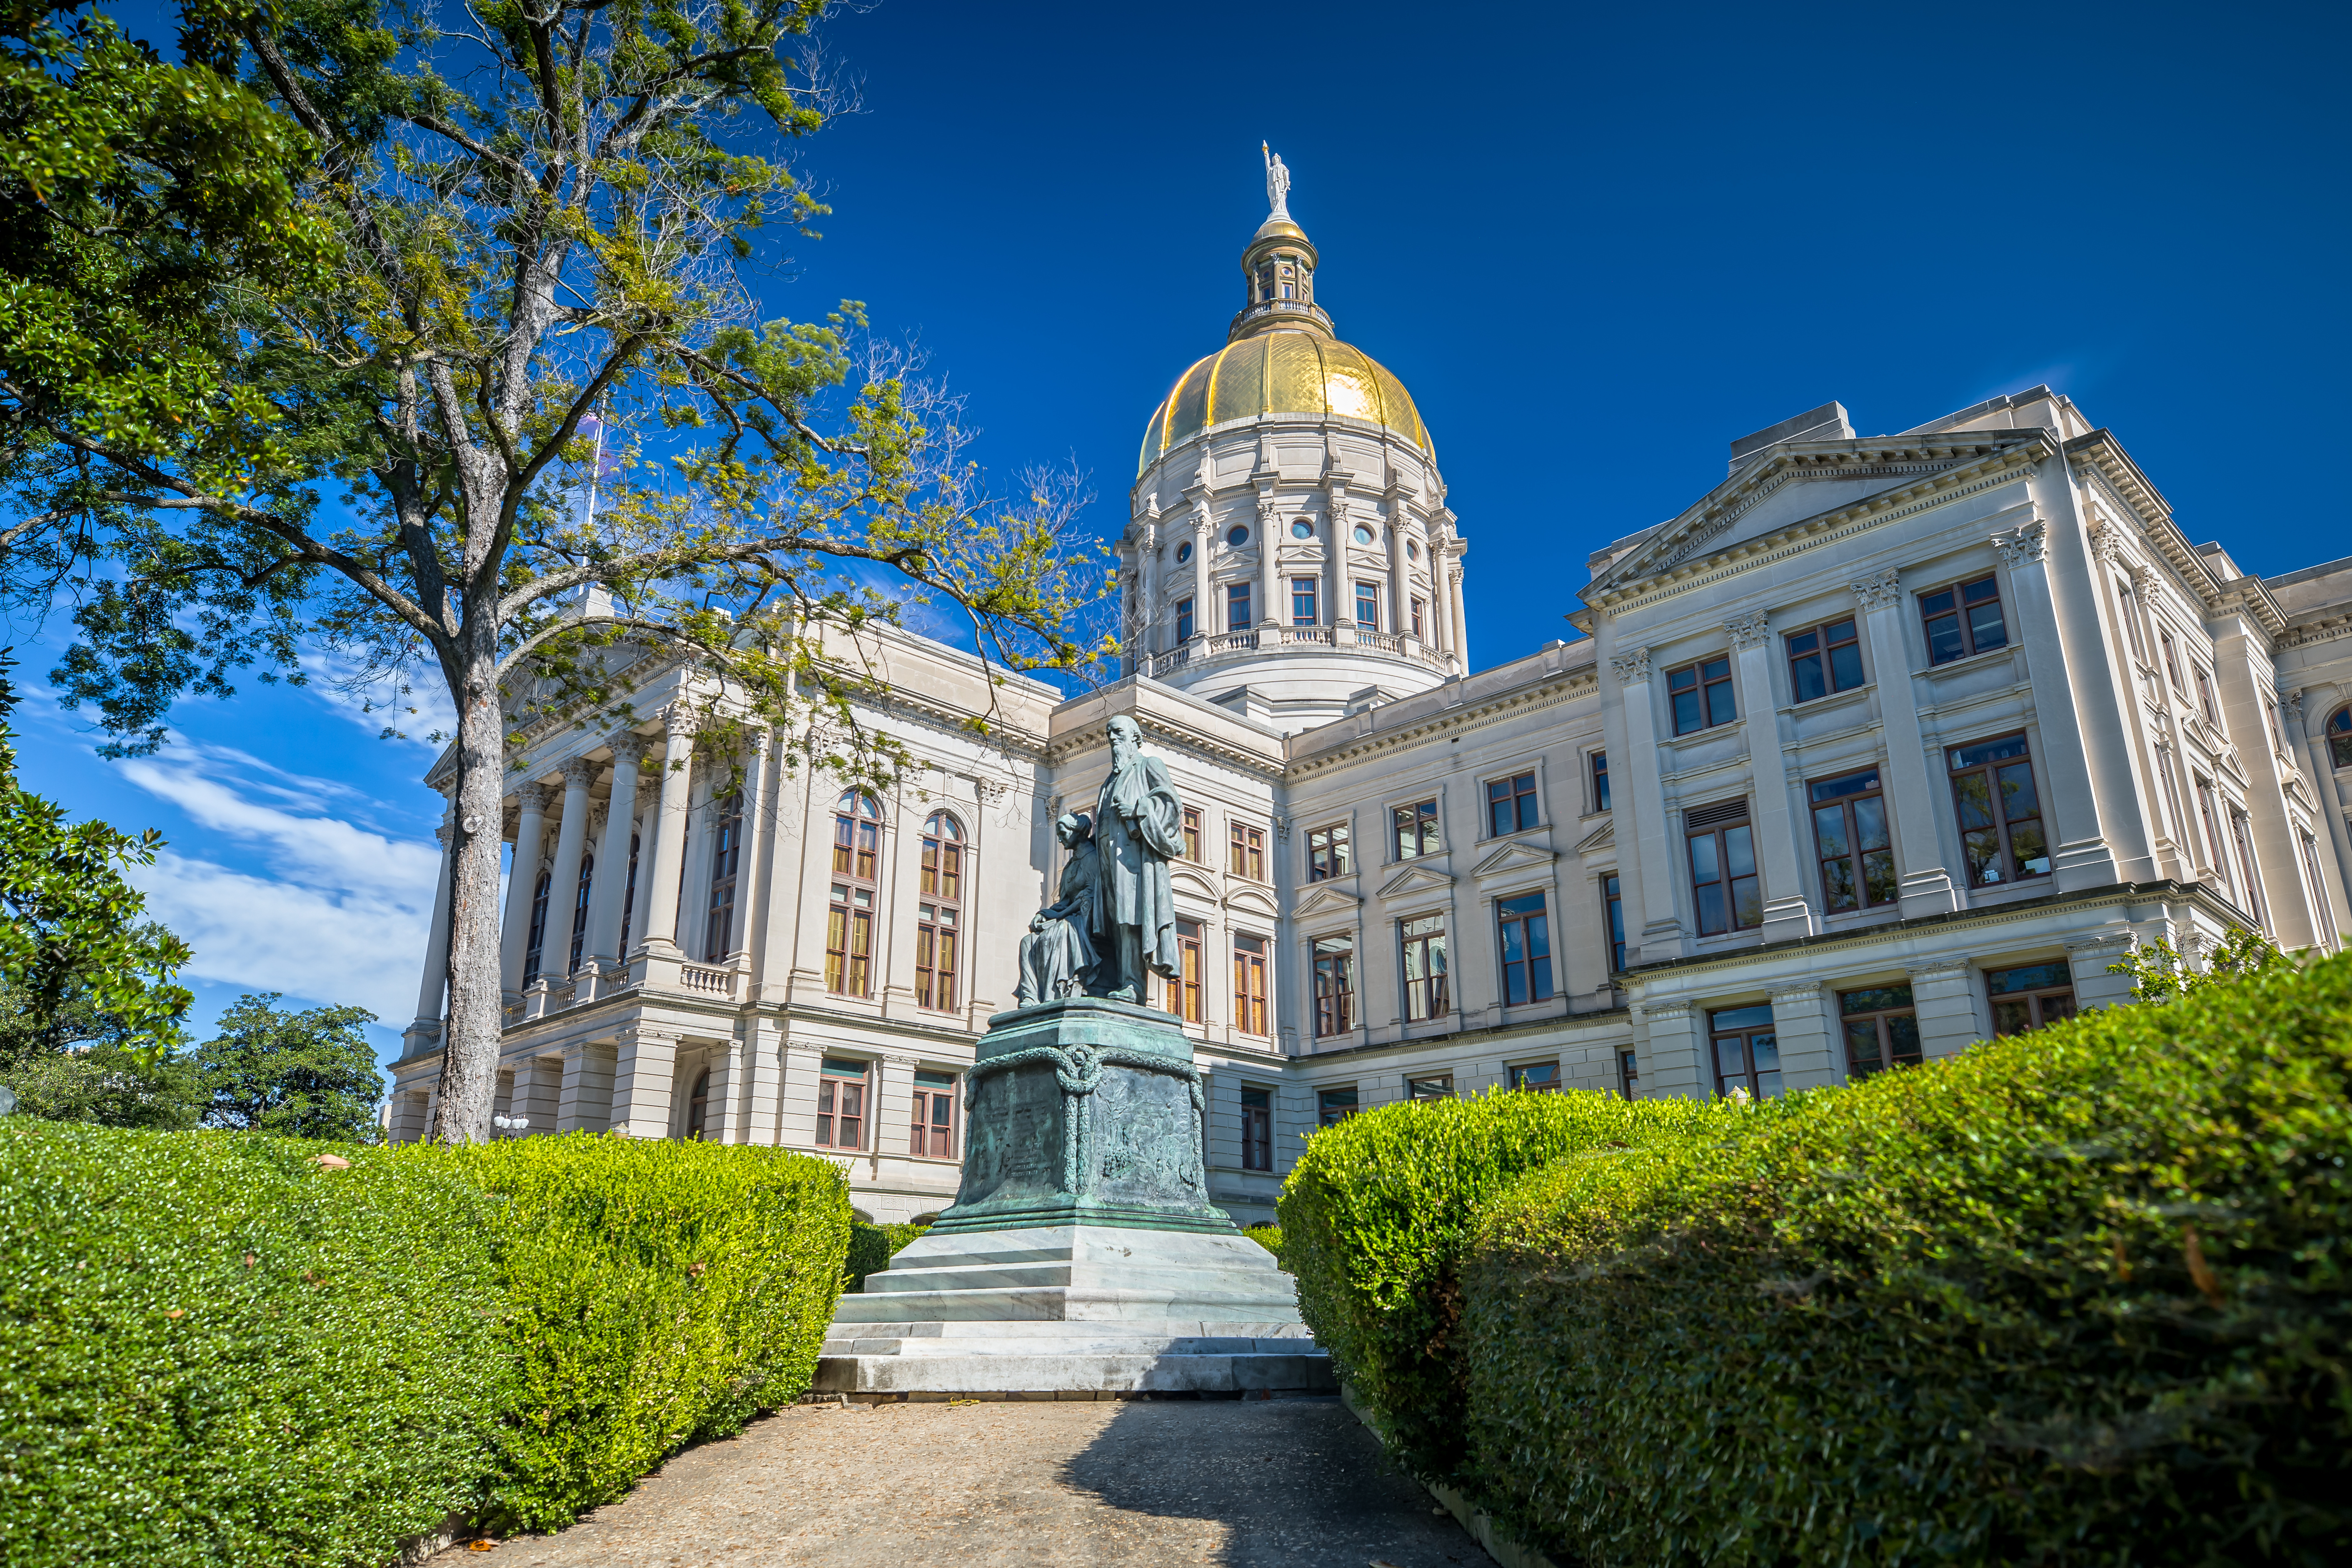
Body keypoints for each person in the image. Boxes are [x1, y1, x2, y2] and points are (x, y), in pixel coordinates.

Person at [1090, 716, 1186, 1003]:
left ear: (1136, 738)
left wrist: (1138, 809)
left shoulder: (1148, 766)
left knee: (1131, 919)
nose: (1112, 739)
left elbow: (1172, 805)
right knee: (1115, 922)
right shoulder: (1108, 782)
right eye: (1109, 733)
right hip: (1109, 861)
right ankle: (1116, 979)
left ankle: (1133, 985)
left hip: (1136, 860)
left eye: (1118, 732)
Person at [1016, 813, 1099, 1005]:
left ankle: (1052, 996)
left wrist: (1062, 914)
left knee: (1059, 932)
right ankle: (1030, 997)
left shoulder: (1092, 858)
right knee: (1028, 942)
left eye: (1063, 834)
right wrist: (1044, 914)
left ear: (1077, 832)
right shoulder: (1070, 866)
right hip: (1068, 915)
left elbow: (1092, 895)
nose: (1060, 839)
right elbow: (1064, 900)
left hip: (1084, 918)